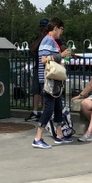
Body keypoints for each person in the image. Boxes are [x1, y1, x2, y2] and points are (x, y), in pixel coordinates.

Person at [32, 19, 72, 149]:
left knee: (58, 107)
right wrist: (61, 55)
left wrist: (61, 56)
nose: (62, 32)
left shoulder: (50, 40)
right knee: (49, 109)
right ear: (55, 28)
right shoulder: (48, 40)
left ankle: (59, 135)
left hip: (54, 80)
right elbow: (44, 60)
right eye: (61, 29)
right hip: (49, 80)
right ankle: (38, 138)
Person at [25, 18, 51, 121]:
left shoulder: (51, 38)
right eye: (42, 27)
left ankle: (44, 112)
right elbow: (32, 48)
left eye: (46, 27)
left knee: (45, 90)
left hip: (47, 67)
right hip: (38, 67)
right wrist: (40, 38)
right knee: (36, 90)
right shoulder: (39, 37)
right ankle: (35, 112)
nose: (44, 29)